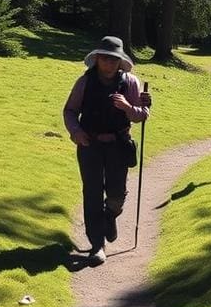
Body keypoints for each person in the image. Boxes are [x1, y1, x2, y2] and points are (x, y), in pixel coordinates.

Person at [63, 36, 151, 265]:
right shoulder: (84, 82)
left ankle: (110, 215)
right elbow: (70, 110)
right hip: (89, 144)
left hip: (118, 144)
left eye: (114, 59)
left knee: (117, 194)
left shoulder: (130, 82)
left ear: (120, 61)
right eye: (105, 58)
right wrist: (76, 132)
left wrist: (128, 107)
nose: (109, 63)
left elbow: (141, 115)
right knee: (92, 193)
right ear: (97, 59)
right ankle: (97, 245)